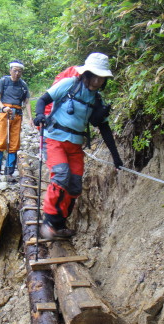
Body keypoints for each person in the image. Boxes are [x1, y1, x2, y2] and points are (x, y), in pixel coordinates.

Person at [34, 52, 123, 240]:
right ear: (87, 73)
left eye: (102, 78)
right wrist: (40, 115)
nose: (98, 81)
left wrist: (116, 158)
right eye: (95, 76)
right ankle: (49, 222)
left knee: (74, 186)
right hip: (54, 140)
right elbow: (43, 100)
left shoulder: (96, 100)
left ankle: (59, 224)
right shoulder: (69, 85)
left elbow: (105, 129)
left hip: (75, 146)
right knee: (61, 176)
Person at [0, 60, 34, 180]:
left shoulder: (23, 85)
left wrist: (30, 118)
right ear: (10, 70)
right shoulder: (4, 81)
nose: (17, 73)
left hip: (17, 114)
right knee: (1, 140)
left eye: (19, 71)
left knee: (14, 143)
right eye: (15, 70)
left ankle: (9, 171)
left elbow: (27, 102)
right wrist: (3, 108)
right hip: (4, 113)